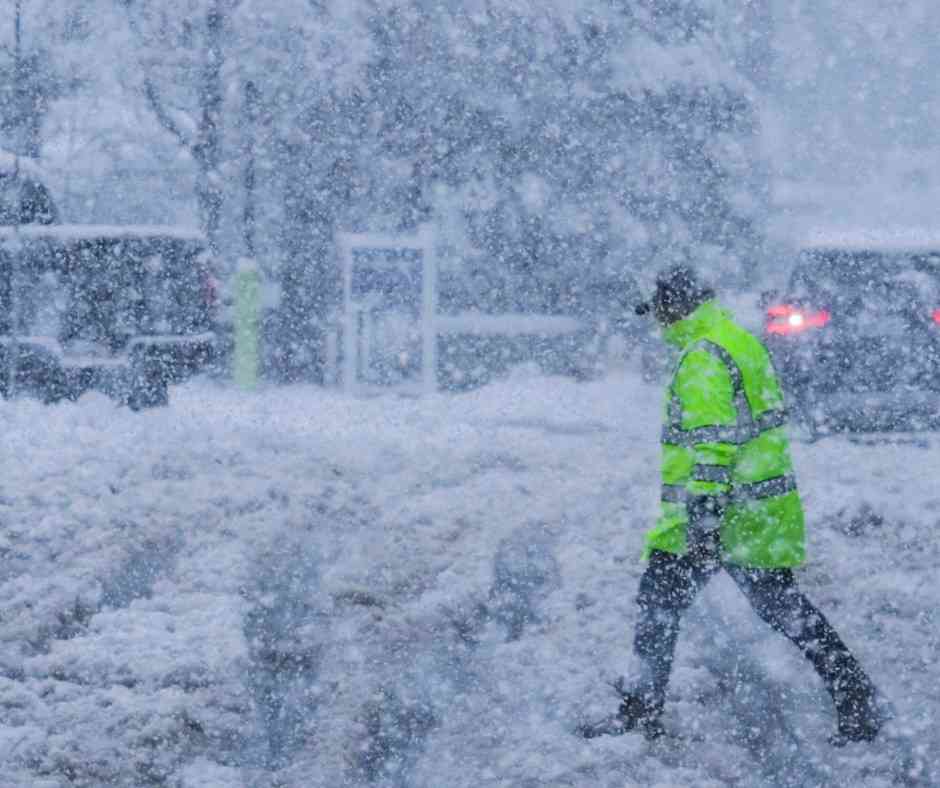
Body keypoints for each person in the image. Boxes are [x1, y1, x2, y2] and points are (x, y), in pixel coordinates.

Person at [580, 265, 887, 746]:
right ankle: (857, 697)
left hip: (714, 515)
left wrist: (703, 523)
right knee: (785, 610)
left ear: (672, 307)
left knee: (658, 608)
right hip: (759, 511)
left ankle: (640, 715)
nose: (656, 325)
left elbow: (713, 448)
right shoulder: (739, 342)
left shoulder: (702, 357)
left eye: (657, 313)